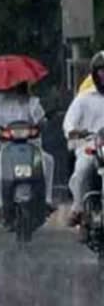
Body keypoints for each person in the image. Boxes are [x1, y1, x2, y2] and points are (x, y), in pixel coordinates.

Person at [0, 82, 55, 218]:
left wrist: (41, 123)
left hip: (32, 146)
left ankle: (47, 200)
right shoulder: (0, 106)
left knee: (48, 161)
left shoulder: (33, 103)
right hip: (7, 148)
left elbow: (41, 120)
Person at [64, 51, 104, 227]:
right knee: (81, 170)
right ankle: (78, 208)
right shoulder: (84, 98)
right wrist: (74, 131)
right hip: (90, 145)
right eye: (101, 70)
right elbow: (69, 121)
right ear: (94, 73)